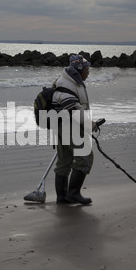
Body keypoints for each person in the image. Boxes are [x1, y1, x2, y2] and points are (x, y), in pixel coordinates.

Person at [52, 54, 100, 205]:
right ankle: (73, 193)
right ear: (79, 69)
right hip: (67, 125)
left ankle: (62, 197)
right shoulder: (68, 84)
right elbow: (74, 109)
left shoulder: (70, 81)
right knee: (85, 157)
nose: (88, 72)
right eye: (86, 69)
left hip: (60, 124)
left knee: (64, 160)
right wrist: (90, 125)